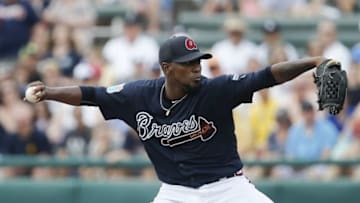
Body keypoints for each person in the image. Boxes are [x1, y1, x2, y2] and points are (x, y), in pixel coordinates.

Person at [25, 35, 333, 203]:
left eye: (198, 60)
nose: (197, 67)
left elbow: (266, 76)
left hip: (228, 189)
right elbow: (92, 94)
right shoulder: (138, 96)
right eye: (188, 63)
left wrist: (315, 61)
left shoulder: (216, 90)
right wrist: (49, 91)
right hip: (176, 193)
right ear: (167, 67)